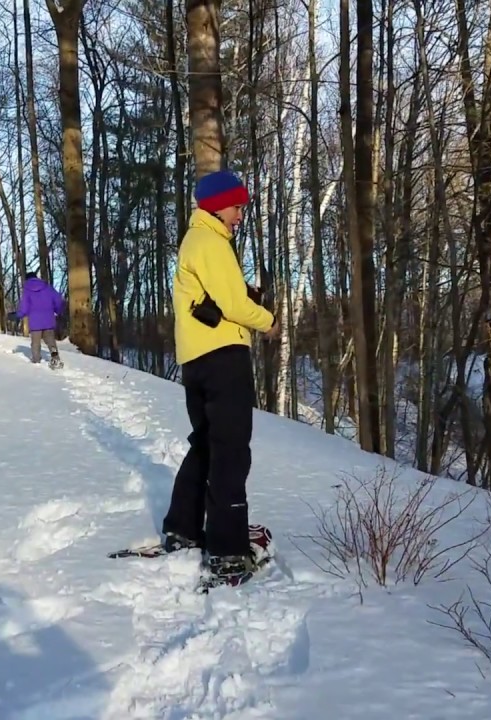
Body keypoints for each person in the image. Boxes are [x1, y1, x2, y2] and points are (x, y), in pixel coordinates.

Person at [163, 169, 279, 583]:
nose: (239, 215)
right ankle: (228, 551)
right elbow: (232, 303)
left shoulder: (197, 241)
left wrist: (241, 295)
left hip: (196, 359)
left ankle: (183, 527)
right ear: (216, 206)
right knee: (230, 451)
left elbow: (217, 296)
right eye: (236, 207)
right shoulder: (210, 241)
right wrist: (267, 320)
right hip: (223, 357)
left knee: (207, 446)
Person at [15, 270, 66, 368]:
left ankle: (36, 362)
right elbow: (58, 299)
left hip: (35, 322)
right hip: (48, 320)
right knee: (51, 343)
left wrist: (19, 315)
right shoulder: (47, 287)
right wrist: (58, 310)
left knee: (35, 343)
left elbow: (25, 307)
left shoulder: (27, 289)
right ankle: (56, 359)